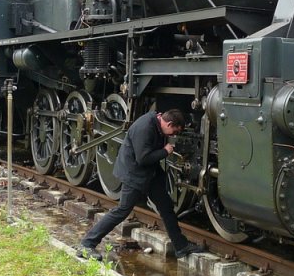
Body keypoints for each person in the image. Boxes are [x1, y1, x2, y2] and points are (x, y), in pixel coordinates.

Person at [78, 109, 205, 261]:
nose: (173, 136)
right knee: (122, 210)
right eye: (174, 132)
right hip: (134, 174)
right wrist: (165, 151)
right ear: (169, 123)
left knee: (166, 207)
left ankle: (181, 246)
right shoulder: (144, 127)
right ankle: (87, 244)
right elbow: (143, 158)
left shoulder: (157, 124)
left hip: (150, 173)